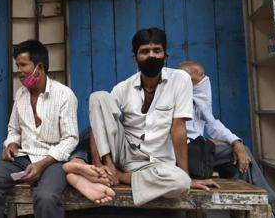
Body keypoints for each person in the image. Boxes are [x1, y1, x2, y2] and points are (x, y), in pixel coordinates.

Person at [87, 28, 218, 206]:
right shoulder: (123, 88)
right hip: (125, 155)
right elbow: (98, 124)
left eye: (157, 50)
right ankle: (108, 169)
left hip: (158, 164)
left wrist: (186, 176)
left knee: (181, 182)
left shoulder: (180, 80)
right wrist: (100, 163)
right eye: (144, 51)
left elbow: (178, 128)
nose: (151, 56)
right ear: (135, 58)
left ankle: (123, 177)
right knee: (98, 97)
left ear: (165, 56)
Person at [0, 40, 78, 218]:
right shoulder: (21, 94)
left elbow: (70, 139)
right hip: (23, 157)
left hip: (53, 160)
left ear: (40, 66)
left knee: (46, 197)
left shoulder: (64, 95)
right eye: (17, 66)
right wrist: (11, 145)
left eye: (23, 65)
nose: (19, 71)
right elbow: (14, 129)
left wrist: (42, 164)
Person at [179, 61, 275, 203]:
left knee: (240, 153)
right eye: (200, 77)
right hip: (184, 154)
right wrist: (206, 141)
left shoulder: (198, 100)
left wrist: (236, 142)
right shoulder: (176, 99)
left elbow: (212, 124)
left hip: (198, 151)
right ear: (187, 81)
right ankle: (267, 203)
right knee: (242, 154)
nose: (205, 80)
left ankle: (253, 203)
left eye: (204, 75)